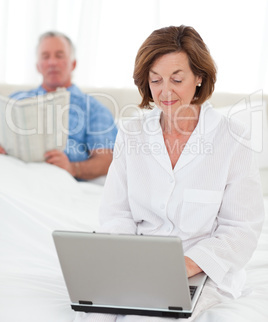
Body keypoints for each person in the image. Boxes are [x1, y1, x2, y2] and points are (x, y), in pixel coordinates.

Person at [74, 25, 265, 321]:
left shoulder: (233, 138)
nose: (165, 92)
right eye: (156, 80)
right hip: (136, 264)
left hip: (199, 270)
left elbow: (241, 229)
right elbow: (116, 214)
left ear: (199, 77)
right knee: (91, 314)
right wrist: (121, 261)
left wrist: (185, 265)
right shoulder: (132, 132)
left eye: (177, 79)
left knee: (148, 315)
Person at [0, 31, 117, 181]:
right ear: (38, 66)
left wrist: (72, 168)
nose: (52, 62)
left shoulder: (94, 109)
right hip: (12, 174)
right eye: (45, 56)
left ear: (73, 64)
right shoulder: (14, 101)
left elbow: (105, 161)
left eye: (59, 55)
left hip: (58, 180)